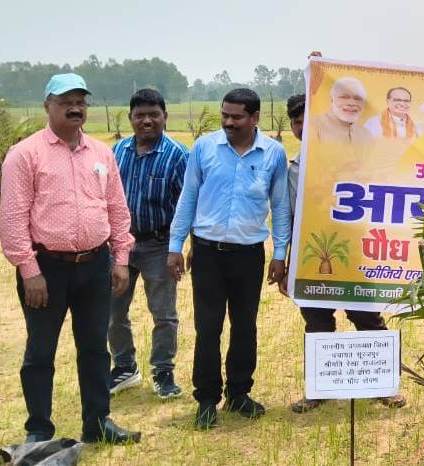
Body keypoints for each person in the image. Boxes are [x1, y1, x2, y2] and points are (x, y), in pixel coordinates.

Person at [0, 73, 141, 444]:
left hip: (95, 265)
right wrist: (29, 271)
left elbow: (117, 208)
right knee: (40, 350)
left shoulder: (101, 153)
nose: (75, 107)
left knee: (95, 347)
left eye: (80, 100)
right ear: (47, 105)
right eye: (65, 101)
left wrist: (121, 256)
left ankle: (98, 424)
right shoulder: (24, 155)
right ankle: (38, 431)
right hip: (46, 269)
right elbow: (13, 219)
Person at [168, 88, 291, 430]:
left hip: (248, 255)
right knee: (208, 328)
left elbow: (280, 206)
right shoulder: (204, 148)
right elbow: (188, 197)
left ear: (255, 119)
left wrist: (280, 254)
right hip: (207, 254)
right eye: (225, 115)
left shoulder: (273, 154)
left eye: (237, 117)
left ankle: (239, 393)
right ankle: (207, 399)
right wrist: (175, 244)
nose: (228, 122)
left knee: (244, 326)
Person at [280, 94, 407, 413]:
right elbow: (288, 217)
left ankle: (386, 387)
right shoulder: (292, 168)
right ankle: (318, 389)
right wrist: (287, 264)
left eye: (307, 120)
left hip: (353, 254)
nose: (301, 127)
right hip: (312, 256)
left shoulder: (353, 156)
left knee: (366, 317)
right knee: (316, 322)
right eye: (296, 122)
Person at [108, 88, 188, 399]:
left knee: (163, 313)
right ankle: (125, 367)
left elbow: (186, 205)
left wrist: (177, 247)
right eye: (139, 115)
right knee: (113, 311)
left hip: (159, 243)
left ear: (165, 117)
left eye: (153, 114)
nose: (146, 121)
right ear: (130, 118)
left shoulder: (179, 155)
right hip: (120, 245)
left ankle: (163, 371)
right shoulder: (116, 152)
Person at [310, 77, 372, 146]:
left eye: (357, 98)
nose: (351, 103)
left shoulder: (366, 135)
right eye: (344, 97)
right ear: (331, 100)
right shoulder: (314, 127)